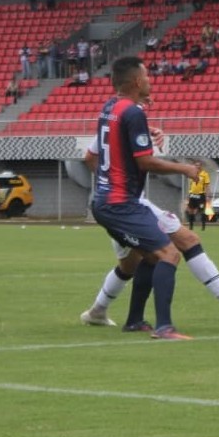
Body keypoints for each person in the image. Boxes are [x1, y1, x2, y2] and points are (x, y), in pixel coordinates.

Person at [80, 128, 219, 330]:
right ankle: (172, 322)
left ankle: (105, 313)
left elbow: (89, 157)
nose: (149, 97)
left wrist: (107, 183)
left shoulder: (113, 121)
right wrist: (184, 169)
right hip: (125, 206)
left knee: (133, 264)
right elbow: (146, 163)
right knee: (173, 248)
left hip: (122, 203)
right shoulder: (127, 118)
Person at [87, 56, 202, 340]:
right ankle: (164, 327)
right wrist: (185, 168)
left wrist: (141, 116)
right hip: (120, 203)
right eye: (147, 76)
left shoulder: (110, 107)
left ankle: (135, 320)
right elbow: (145, 162)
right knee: (169, 254)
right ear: (137, 81)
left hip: (106, 200)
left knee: (148, 257)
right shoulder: (132, 113)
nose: (151, 80)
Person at [186, 160, 210, 231]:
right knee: (190, 210)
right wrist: (188, 195)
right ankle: (191, 227)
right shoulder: (191, 174)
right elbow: (190, 185)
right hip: (192, 195)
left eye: (199, 165)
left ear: (201, 166)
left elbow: (207, 186)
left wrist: (208, 195)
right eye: (196, 165)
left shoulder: (205, 174)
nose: (197, 166)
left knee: (202, 211)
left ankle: (203, 227)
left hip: (201, 195)